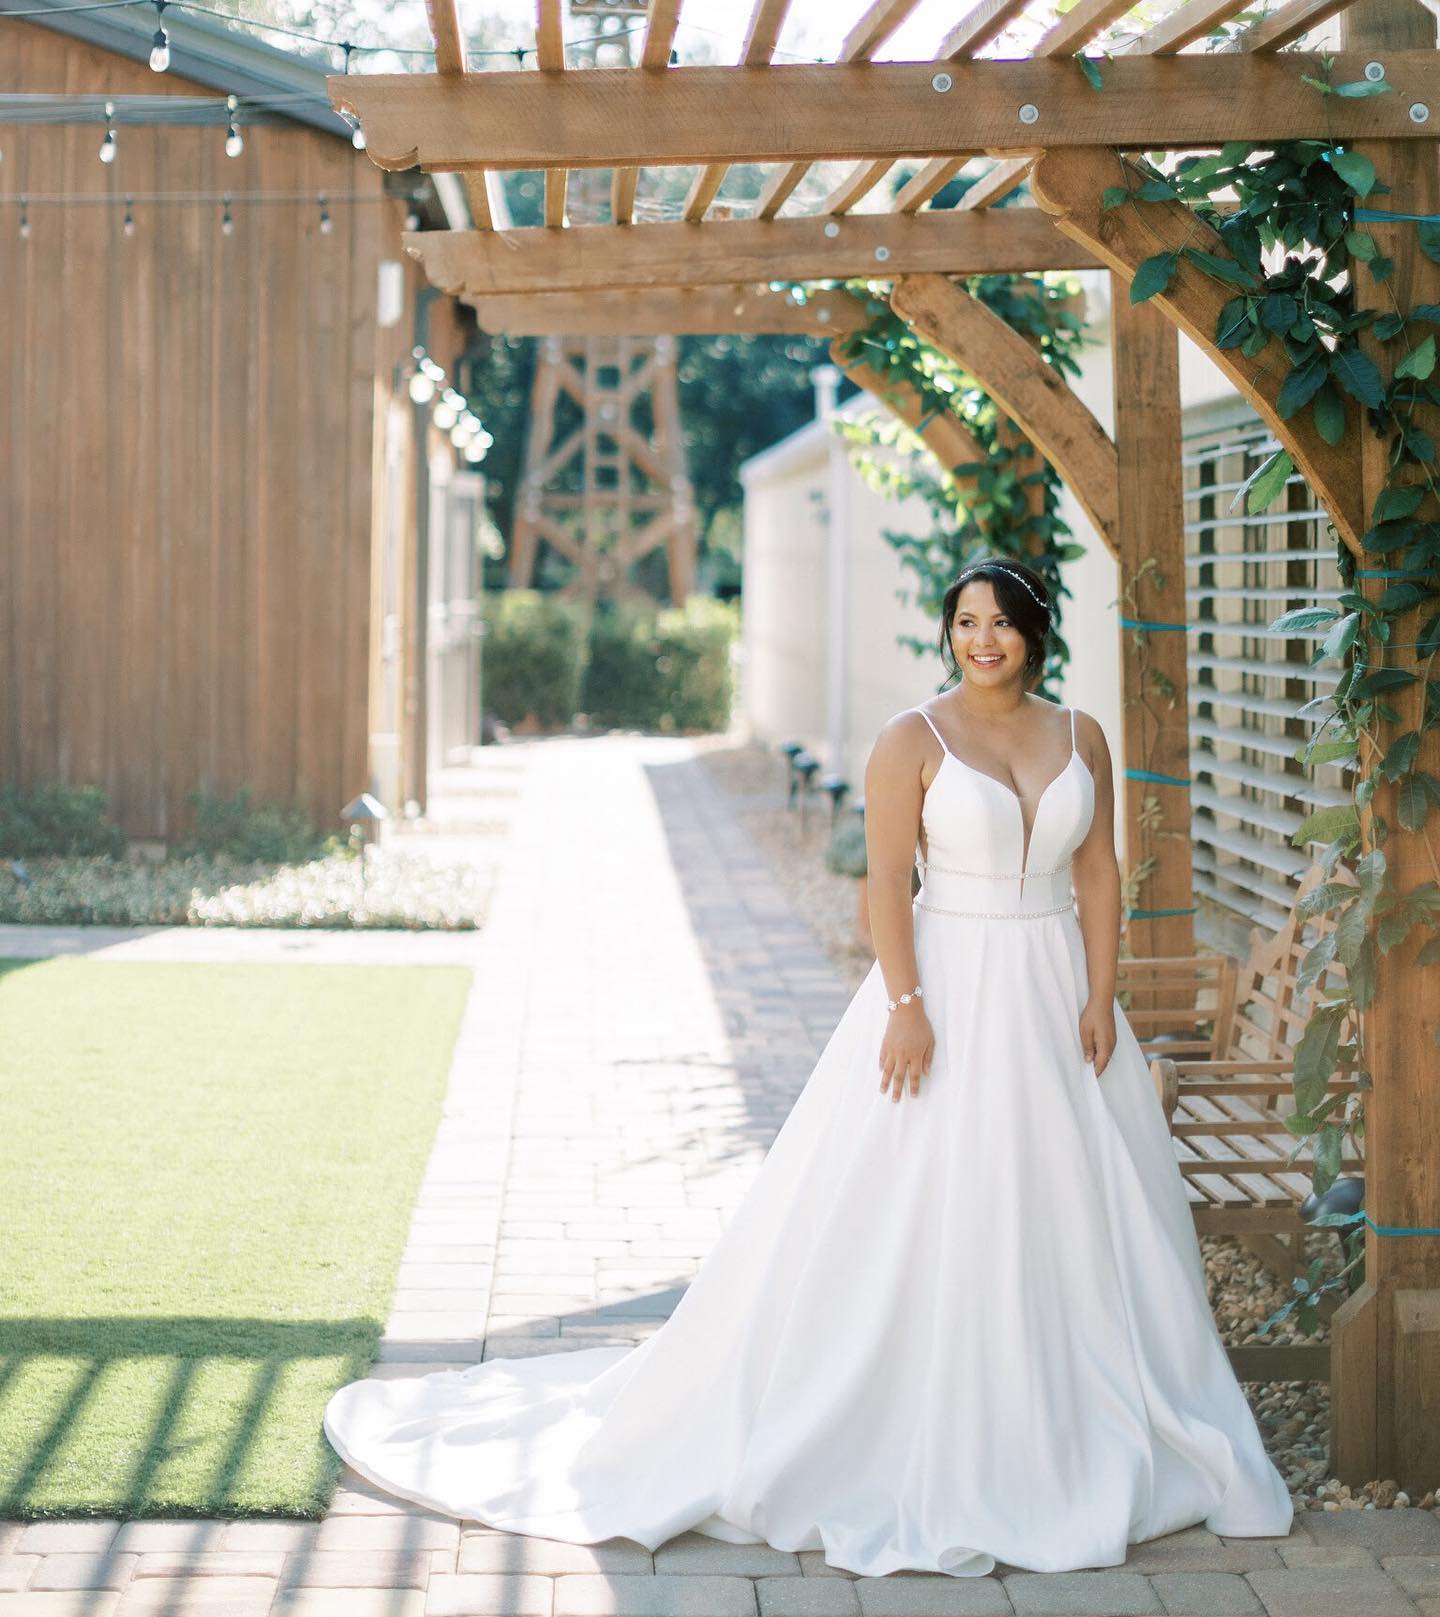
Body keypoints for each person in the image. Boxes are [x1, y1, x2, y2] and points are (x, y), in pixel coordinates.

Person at [322, 556, 1295, 1578]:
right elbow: (884, 882)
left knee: (1079, 1201)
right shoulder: (909, 741)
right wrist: (908, 1008)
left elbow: (1097, 873)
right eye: (966, 622)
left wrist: (1101, 997)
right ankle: (907, 1419)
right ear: (948, 633)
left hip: (1056, 991)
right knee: (924, 1197)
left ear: (1033, 632)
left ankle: (1082, 1410)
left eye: (1001, 623)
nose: (983, 641)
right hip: (948, 985)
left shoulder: (1078, 733)